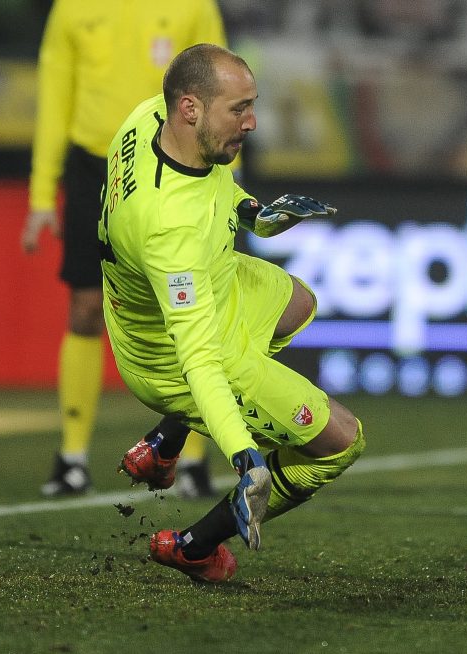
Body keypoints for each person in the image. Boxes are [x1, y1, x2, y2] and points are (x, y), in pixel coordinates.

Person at [100, 43, 366, 583]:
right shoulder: (171, 232)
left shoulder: (151, 117)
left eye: (252, 105)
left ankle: (163, 445)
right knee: (341, 441)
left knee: (297, 303)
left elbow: (212, 186)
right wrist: (245, 457)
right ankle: (195, 547)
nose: (252, 122)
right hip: (174, 356)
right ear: (191, 108)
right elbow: (199, 360)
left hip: (209, 288)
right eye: (239, 109)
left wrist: (257, 216)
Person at [21, 0, 230, 499]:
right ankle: (72, 458)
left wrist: (227, 191)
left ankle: (192, 460)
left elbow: (225, 96)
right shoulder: (72, 8)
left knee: (187, 314)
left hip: (176, 170)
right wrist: (42, 195)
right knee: (85, 307)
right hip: (94, 168)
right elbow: (55, 98)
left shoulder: (194, 5)